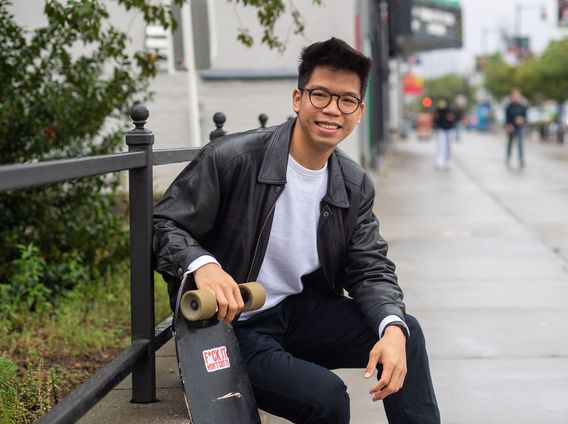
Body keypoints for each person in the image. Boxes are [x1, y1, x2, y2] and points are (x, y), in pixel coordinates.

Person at [153, 37, 440, 423]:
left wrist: (390, 327)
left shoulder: (352, 184)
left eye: (346, 100)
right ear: (298, 98)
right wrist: (201, 264)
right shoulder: (232, 160)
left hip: (299, 313)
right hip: (233, 326)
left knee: (405, 331)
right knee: (327, 397)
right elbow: (163, 224)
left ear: (358, 112)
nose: (332, 110)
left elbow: (370, 267)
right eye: (320, 95)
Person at [505, 88, 528, 167]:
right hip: (511, 126)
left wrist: (522, 120)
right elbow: (507, 117)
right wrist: (509, 125)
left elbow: (525, 116)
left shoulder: (522, 106)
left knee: (520, 142)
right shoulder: (509, 106)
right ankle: (508, 156)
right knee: (510, 142)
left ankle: (521, 158)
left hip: (519, 127)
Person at [433, 96, 456, 169]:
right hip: (441, 130)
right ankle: (440, 160)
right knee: (441, 145)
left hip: (449, 130)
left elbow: (453, 119)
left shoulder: (450, 111)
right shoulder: (438, 111)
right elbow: (435, 121)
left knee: (448, 146)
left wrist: (451, 119)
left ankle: (448, 160)